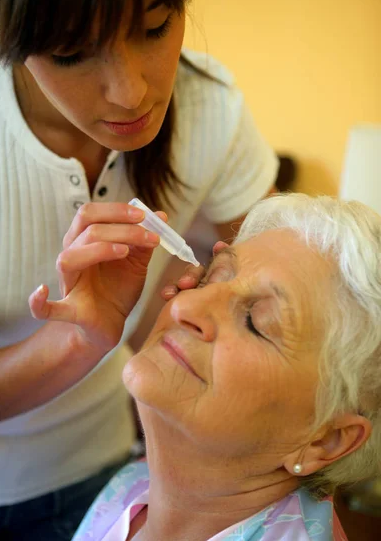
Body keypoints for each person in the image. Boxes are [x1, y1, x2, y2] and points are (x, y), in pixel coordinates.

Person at [0, 0, 278, 538]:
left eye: (154, 27)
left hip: (117, 473)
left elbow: (276, 276)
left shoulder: (209, 109)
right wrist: (78, 340)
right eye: (71, 51)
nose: (131, 93)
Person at [71, 193, 381, 541]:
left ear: (325, 439)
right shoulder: (131, 486)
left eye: (255, 322)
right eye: (211, 279)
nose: (187, 306)